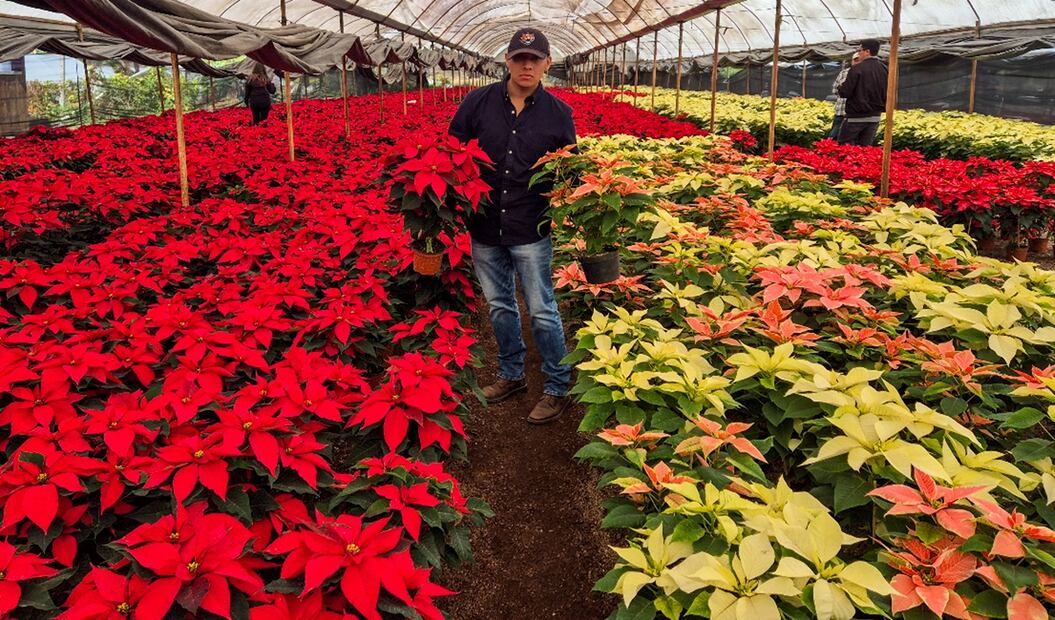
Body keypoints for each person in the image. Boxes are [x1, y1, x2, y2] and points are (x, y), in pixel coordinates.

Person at [448, 28, 576, 424]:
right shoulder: (477, 102)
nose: (527, 65)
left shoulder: (558, 114)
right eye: (520, 57)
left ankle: (557, 386)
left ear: (547, 65)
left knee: (541, 309)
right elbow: (453, 153)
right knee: (500, 306)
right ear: (506, 59)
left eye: (534, 59)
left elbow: (568, 169)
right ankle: (511, 375)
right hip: (484, 226)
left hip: (531, 227)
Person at [837, 39, 887, 146]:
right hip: (875, 116)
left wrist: (840, 87)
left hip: (855, 116)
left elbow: (845, 92)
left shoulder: (857, 69)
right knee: (865, 150)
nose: (859, 53)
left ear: (867, 51)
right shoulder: (884, 69)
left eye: (860, 50)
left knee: (845, 148)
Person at [828, 52, 861, 140]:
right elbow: (834, 90)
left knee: (851, 138)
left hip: (855, 113)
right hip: (841, 111)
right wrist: (844, 92)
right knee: (833, 135)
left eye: (860, 60)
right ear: (852, 61)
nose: (857, 62)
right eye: (855, 60)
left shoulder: (865, 74)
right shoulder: (844, 73)